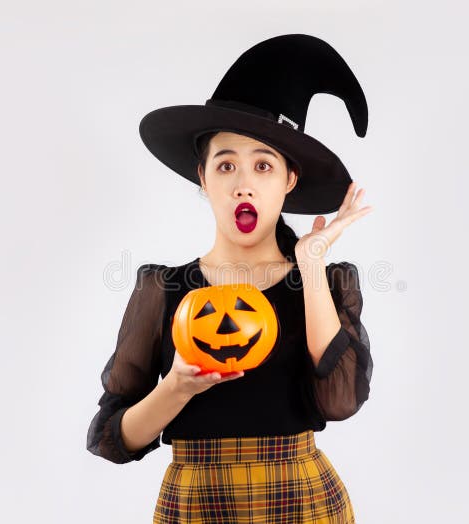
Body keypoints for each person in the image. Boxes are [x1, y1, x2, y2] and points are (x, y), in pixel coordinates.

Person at [87, 34, 374, 523]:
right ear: (203, 178)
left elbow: (340, 401)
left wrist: (310, 265)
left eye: (263, 165)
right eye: (226, 165)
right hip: (197, 501)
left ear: (288, 180)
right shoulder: (163, 291)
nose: (243, 182)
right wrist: (176, 387)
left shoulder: (324, 282)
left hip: (299, 499)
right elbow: (113, 437)